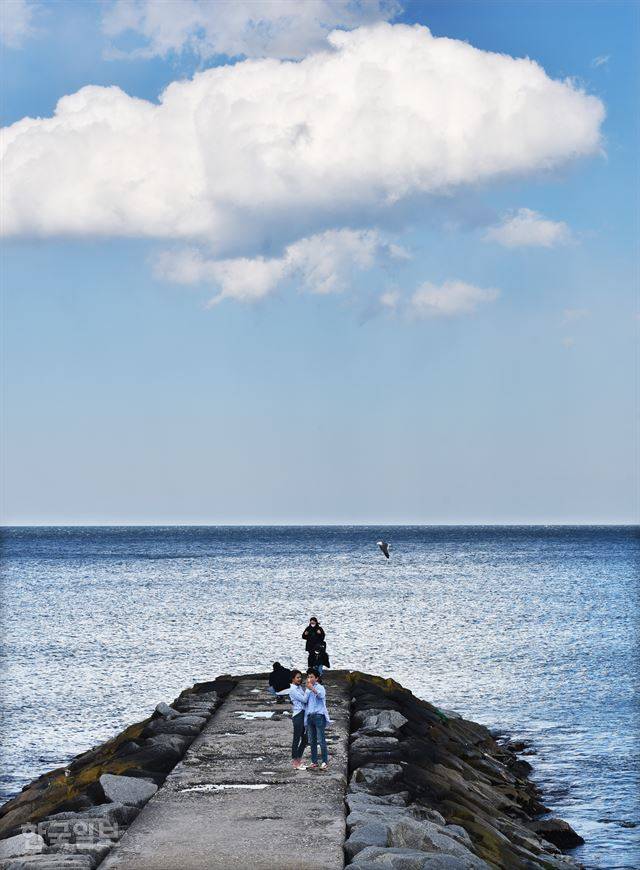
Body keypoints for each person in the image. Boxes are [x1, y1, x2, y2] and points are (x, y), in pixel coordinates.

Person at [275, 669, 309, 769]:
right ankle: (295, 762)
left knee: (305, 738)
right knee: (297, 738)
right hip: (298, 715)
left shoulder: (299, 688)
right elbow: (304, 699)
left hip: (303, 714)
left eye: (300, 677)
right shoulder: (293, 689)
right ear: (293, 678)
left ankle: (298, 759)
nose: (299, 679)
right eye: (297, 677)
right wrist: (308, 689)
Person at [304, 671, 331, 770]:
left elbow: (321, 696)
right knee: (312, 741)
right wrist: (307, 690)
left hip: (319, 716)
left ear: (316, 678)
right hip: (310, 716)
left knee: (321, 740)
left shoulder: (320, 687)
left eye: (311, 677)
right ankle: (314, 762)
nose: (309, 679)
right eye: (308, 677)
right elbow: (305, 700)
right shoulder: (307, 689)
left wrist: (313, 689)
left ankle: (324, 761)